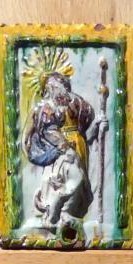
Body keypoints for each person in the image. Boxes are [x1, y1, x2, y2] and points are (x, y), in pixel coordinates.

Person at [23, 72, 107, 233]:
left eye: (60, 84)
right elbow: (47, 132)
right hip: (60, 150)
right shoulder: (47, 108)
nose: (58, 88)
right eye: (53, 85)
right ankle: (55, 215)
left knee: (80, 184)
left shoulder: (78, 103)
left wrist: (97, 126)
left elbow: (85, 132)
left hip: (78, 145)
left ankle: (69, 215)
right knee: (62, 181)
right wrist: (63, 146)